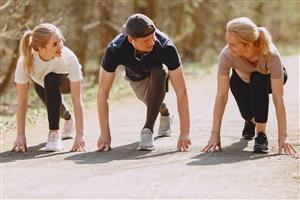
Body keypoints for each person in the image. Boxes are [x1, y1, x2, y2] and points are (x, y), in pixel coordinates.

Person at [203, 17, 296, 155]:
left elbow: (278, 98)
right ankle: (250, 121)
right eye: (227, 42)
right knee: (248, 113)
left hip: (267, 80)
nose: (228, 47)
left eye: (233, 44)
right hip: (241, 80)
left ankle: (261, 135)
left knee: (257, 78)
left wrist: (283, 136)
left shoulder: (270, 54)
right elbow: (221, 96)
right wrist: (215, 133)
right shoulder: (227, 55)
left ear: (248, 45)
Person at [97, 13, 191, 151]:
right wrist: (104, 134)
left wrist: (185, 133)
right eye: (146, 41)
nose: (152, 43)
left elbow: (182, 91)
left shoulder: (166, 46)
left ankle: (147, 130)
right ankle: (165, 113)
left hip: (157, 74)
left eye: (152, 37)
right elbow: (102, 94)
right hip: (137, 78)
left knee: (159, 71)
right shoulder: (115, 49)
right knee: (153, 103)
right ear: (131, 40)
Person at [12, 23, 85, 152]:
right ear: (40, 48)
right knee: (51, 98)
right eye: (54, 44)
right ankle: (68, 119)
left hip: (67, 80)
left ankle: (54, 134)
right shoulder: (25, 61)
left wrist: (80, 135)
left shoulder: (69, 57)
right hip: (42, 84)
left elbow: (76, 99)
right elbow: (22, 101)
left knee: (50, 79)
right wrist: (20, 135)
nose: (60, 46)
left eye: (60, 41)